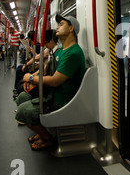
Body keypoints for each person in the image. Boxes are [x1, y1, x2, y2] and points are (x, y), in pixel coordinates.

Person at [15, 15, 85, 151]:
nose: (57, 26)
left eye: (62, 24)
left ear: (71, 29)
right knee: (22, 97)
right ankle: (42, 132)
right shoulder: (62, 51)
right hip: (54, 94)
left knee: (24, 112)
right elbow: (49, 72)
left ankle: (47, 138)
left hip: (62, 100)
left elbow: (54, 81)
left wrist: (30, 79)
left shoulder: (73, 53)